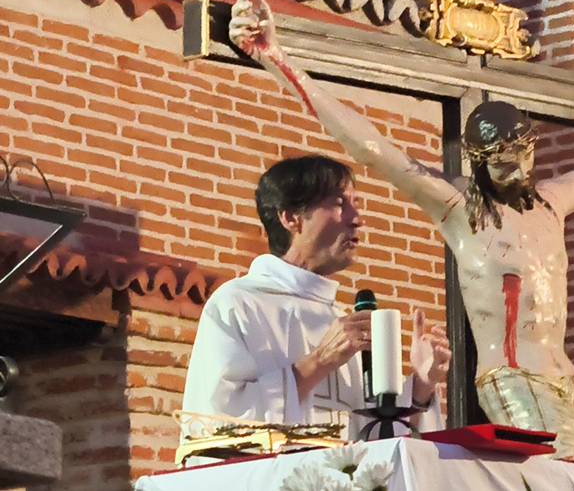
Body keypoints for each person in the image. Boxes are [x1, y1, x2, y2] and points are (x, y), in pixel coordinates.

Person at [228, 0, 574, 466]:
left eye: (524, 155)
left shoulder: (551, 204)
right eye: (503, 162)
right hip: (512, 378)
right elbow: (371, 147)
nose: (518, 170)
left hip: (570, 379)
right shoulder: (459, 209)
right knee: (561, 471)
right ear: (478, 161)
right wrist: (277, 57)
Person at [181, 155, 451, 442]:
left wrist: (422, 384)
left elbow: (377, 442)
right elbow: (213, 425)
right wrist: (319, 362)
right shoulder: (238, 304)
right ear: (290, 217)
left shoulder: (342, 321)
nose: (357, 219)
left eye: (355, 204)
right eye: (338, 204)